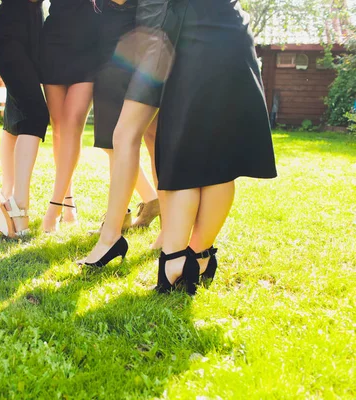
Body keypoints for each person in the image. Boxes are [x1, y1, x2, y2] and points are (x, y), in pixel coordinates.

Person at [80, 0, 277, 298]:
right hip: (221, 29)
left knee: (179, 153)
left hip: (182, 35)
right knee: (215, 161)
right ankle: (197, 256)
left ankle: (174, 260)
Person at [91, 0, 160, 235]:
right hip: (114, 45)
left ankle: (119, 218)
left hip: (123, 51)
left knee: (118, 140)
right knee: (115, 142)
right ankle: (150, 200)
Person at [0, 0, 50, 238]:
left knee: (17, 113)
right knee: (36, 114)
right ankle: (18, 205)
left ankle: (7, 198)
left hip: (32, 29)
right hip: (9, 32)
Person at [39, 0, 102, 233]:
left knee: (72, 124)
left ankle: (53, 208)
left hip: (90, 45)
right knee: (58, 128)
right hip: (54, 41)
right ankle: (68, 199)